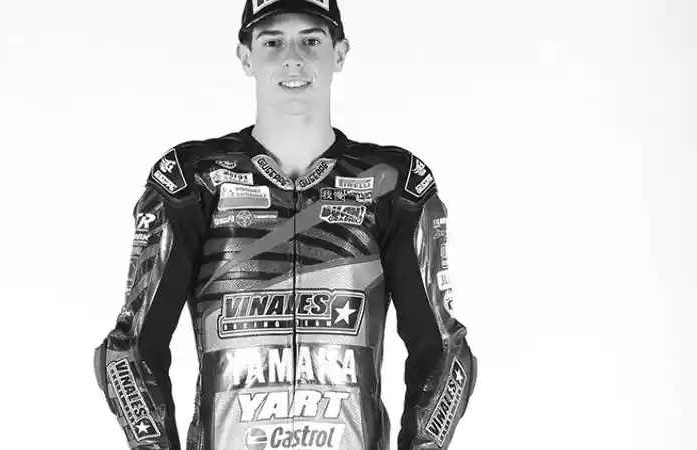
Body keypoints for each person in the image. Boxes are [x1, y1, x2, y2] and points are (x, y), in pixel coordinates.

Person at [93, 1, 477, 449]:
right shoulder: (192, 179)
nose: (293, 58)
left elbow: (444, 351)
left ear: (339, 53)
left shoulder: (394, 183)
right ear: (245, 57)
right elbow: (130, 349)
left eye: (310, 40)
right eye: (272, 42)